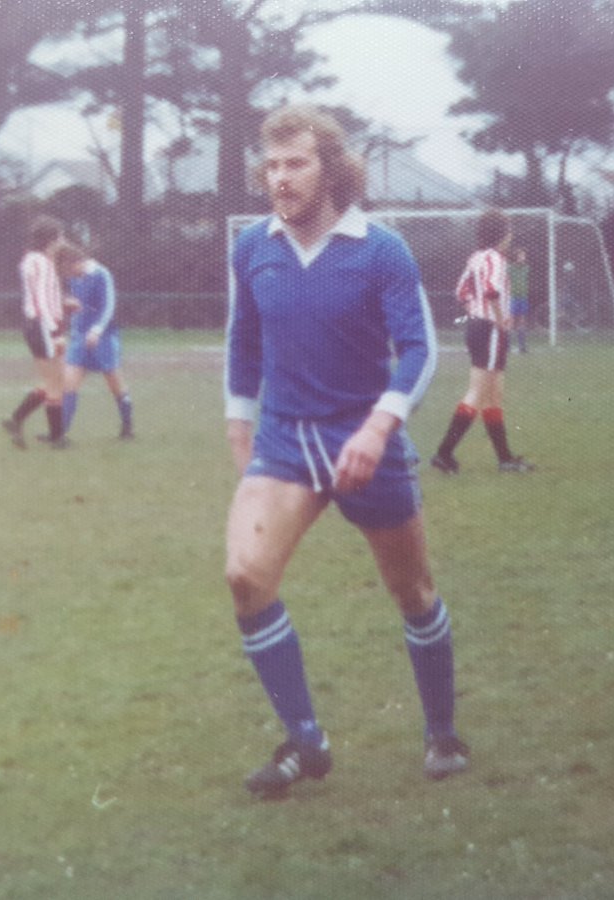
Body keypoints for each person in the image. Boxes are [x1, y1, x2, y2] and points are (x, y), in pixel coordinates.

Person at [225, 104, 468, 799]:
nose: (280, 178)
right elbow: (243, 341)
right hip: (285, 441)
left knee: (413, 592)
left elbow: (419, 350)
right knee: (245, 577)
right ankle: (306, 743)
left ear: (330, 169)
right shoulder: (253, 248)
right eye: (271, 165)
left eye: (295, 163)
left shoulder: (380, 250)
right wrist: (238, 424)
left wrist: (378, 427)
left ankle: (442, 732)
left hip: (365, 442)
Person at [431, 208, 533, 474]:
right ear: (502, 233)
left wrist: (475, 313)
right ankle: (443, 453)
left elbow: (461, 291)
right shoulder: (495, 260)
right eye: (508, 229)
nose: (510, 235)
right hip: (490, 330)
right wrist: (499, 319)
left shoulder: (477, 257)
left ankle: (505, 459)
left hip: (480, 327)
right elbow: (491, 291)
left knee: (493, 393)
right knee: (478, 391)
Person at [2, 214, 74, 449]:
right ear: (51, 239)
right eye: (60, 236)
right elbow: (40, 299)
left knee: (56, 378)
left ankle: (17, 419)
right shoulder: (40, 262)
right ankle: (56, 437)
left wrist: (63, 304)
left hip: (43, 324)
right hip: (43, 325)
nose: (63, 241)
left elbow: (45, 295)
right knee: (55, 380)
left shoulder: (39, 260)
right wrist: (55, 330)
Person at [54, 242, 134, 440]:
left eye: (67, 269)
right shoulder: (75, 278)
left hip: (103, 337)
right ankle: (60, 433)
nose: (68, 275)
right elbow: (76, 303)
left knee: (115, 383)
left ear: (76, 262)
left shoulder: (101, 274)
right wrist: (68, 304)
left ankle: (127, 427)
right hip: (79, 336)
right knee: (69, 383)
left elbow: (109, 306)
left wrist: (97, 331)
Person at [508, 245, 531, 353]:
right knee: (511, 322)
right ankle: (506, 346)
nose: (523, 257)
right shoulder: (510, 268)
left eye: (524, 256)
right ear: (516, 257)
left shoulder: (526, 268)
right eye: (521, 256)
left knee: (522, 321)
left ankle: (522, 347)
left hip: (523, 297)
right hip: (513, 297)